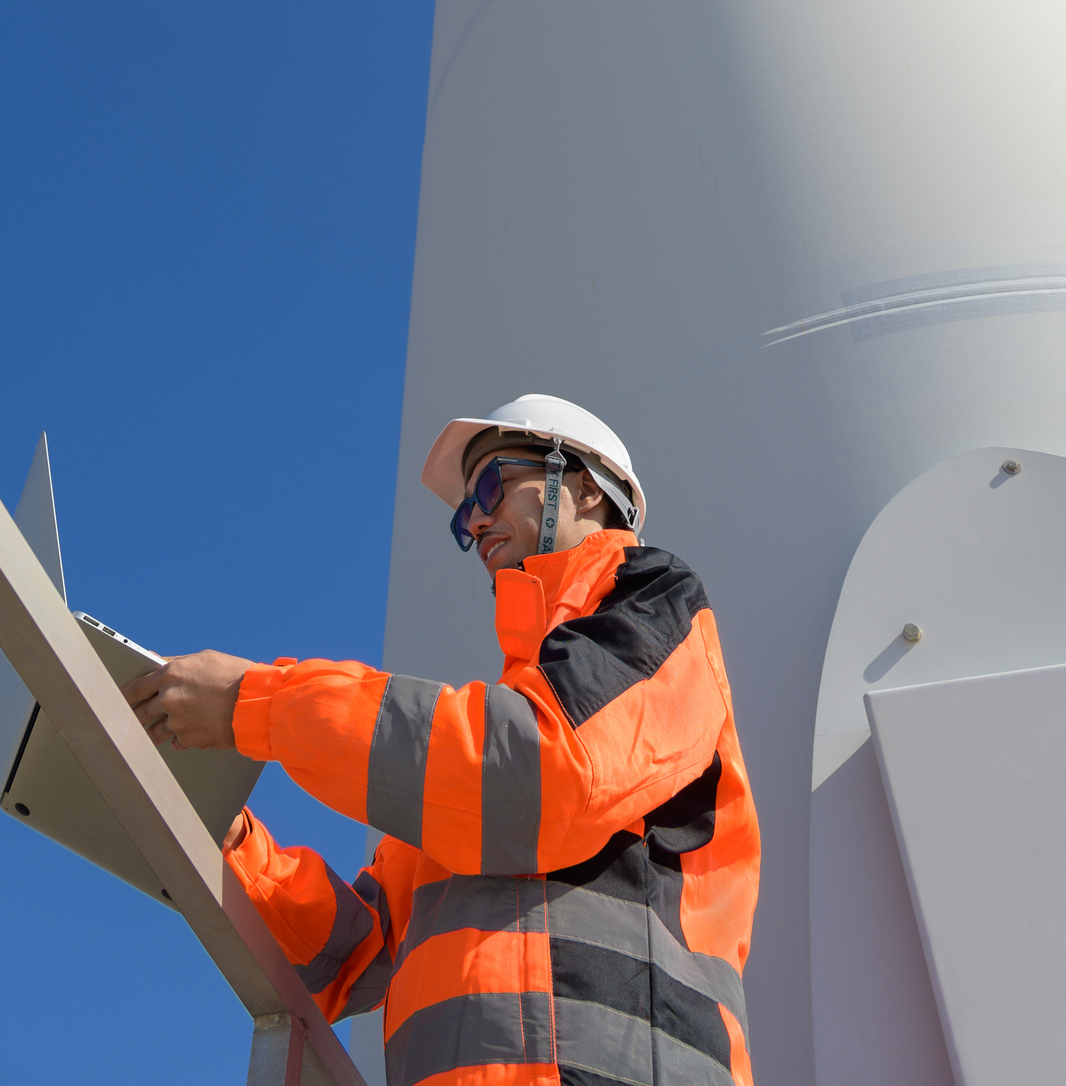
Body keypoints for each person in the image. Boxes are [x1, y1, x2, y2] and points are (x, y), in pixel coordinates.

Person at [122, 394, 760, 1086]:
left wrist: (258, 702)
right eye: (464, 512)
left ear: (581, 485)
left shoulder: (652, 604)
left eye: (489, 486)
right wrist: (214, 826)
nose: (475, 518)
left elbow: (545, 772)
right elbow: (346, 959)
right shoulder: (463, 781)